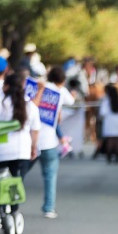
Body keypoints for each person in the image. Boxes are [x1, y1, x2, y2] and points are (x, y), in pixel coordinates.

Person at [0, 72, 40, 223]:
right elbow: (35, 129)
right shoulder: (30, 106)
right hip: (21, 151)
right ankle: (13, 212)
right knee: (15, 182)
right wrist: (33, 147)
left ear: (5, 86)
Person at [34, 67, 76, 218]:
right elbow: (71, 101)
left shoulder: (38, 88)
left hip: (31, 140)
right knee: (50, 175)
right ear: (62, 80)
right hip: (49, 141)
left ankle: (10, 206)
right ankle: (49, 207)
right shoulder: (61, 91)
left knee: (19, 173)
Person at [98, 83, 118, 164]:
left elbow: (102, 113)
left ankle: (109, 157)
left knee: (110, 140)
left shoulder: (106, 101)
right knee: (117, 140)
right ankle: (117, 157)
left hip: (109, 122)